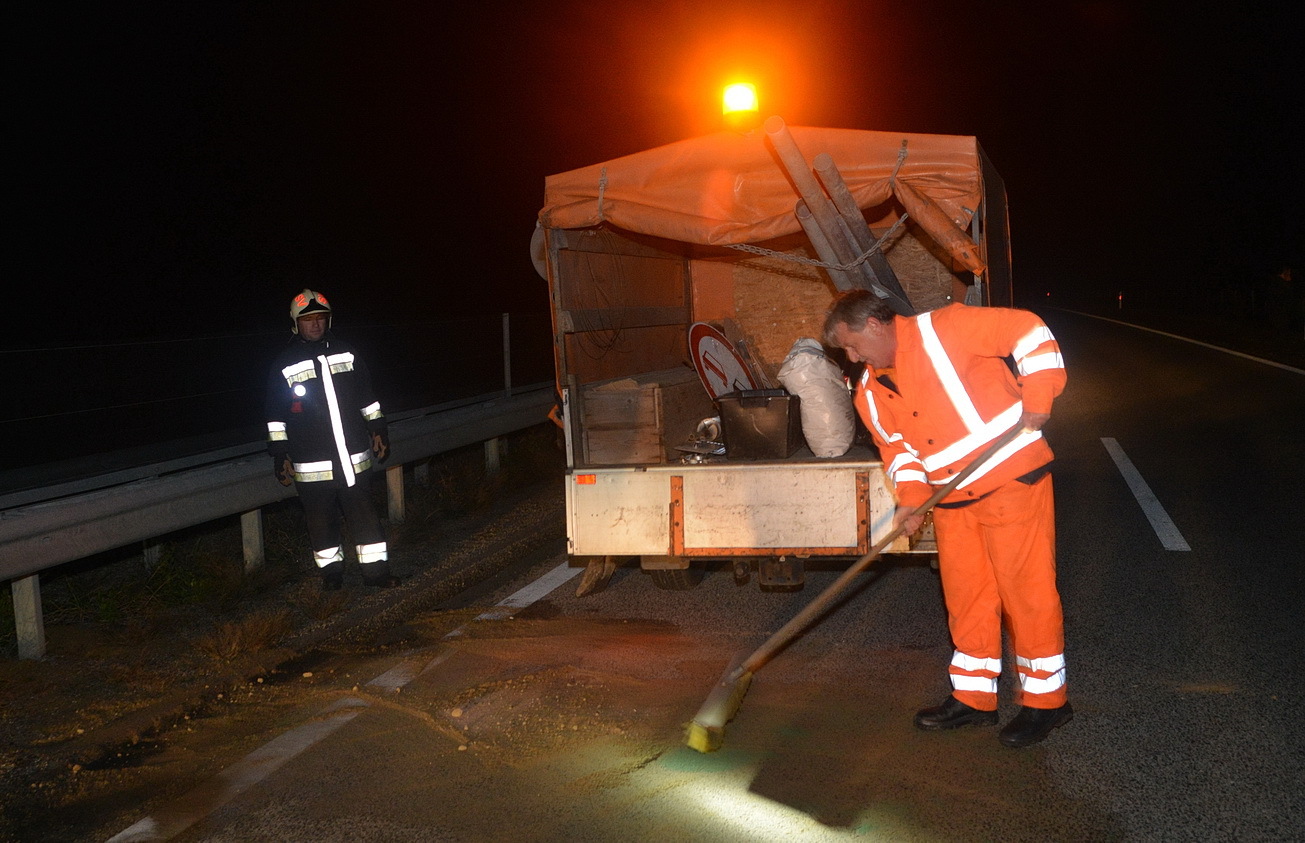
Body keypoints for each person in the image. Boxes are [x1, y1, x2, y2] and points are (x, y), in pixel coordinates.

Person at [823, 290, 1071, 748]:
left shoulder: (947, 328)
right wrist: (911, 501)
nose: (853, 357)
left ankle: (1047, 703)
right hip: (952, 502)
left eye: (854, 345)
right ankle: (974, 699)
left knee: (1027, 594)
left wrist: (1038, 392)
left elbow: (1029, 330)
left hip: (1011, 482)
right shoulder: (869, 392)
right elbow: (899, 452)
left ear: (876, 324)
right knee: (967, 600)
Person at [265, 289, 397, 590]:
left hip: (354, 460)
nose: (315, 325)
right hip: (311, 465)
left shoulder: (348, 353)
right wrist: (279, 453)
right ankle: (331, 575)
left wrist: (379, 430)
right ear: (296, 324)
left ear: (329, 320)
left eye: (320, 318)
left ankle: (376, 574)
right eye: (308, 319)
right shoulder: (283, 365)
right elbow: (275, 415)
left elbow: (367, 398)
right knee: (320, 523)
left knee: (366, 520)